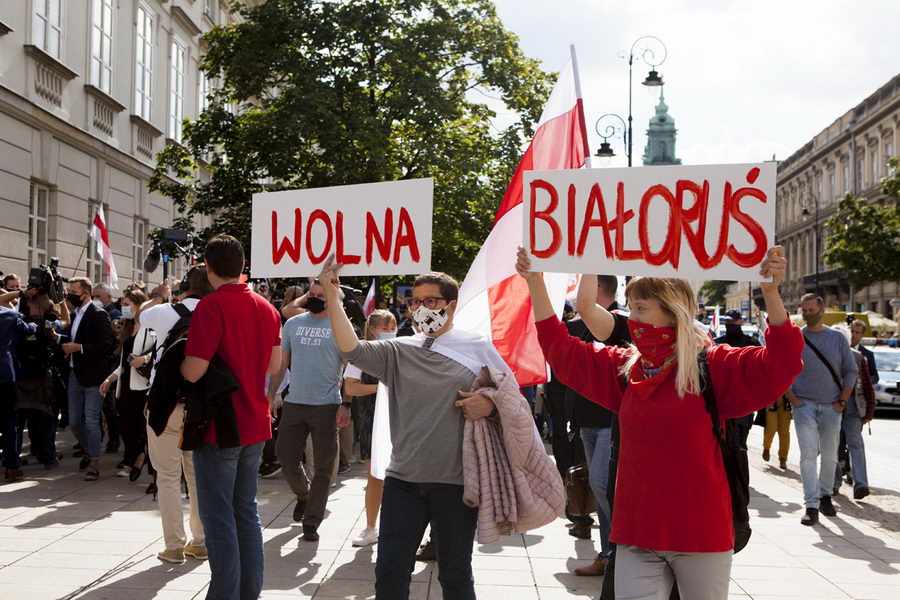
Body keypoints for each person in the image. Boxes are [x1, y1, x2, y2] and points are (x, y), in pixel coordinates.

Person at [517, 245, 802, 600]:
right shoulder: (625, 370)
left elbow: (782, 361)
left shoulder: (713, 367)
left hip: (700, 533)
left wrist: (771, 293)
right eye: (631, 307)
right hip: (637, 531)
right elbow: (560, 348)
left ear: (672, 313)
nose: (631, 319)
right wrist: (534, 282)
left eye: (641, 308)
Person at [319, 257, 511, 600]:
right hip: (402, 483)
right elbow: (350, 348)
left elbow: (512, 401)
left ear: (451, 305)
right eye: (415, 301)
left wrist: (491, 404)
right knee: (390, 573)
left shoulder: (478, 347)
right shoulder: (398, 350)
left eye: (430, 301)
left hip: (457, 486)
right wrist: (333, 297)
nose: (421, 308)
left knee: (455, 576)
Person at [180, 236, 282, 600]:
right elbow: (273, 365)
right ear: (243, 266)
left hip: (220, 426)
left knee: (219, 519)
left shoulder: (210, 306)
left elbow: (193, 372)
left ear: (207, 267)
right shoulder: (267, 308)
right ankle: (248, 593)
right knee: (246, 514)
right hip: (255, 422)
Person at [140, 267, 214, 563]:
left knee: (167, 477)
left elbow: (140, 315)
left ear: (184, 286)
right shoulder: (216, 312)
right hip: (199, 404)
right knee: (196, 476)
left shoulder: (166, 311)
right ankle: (201, 541)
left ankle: (173, 546)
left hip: (165, 404)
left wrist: (159, 293)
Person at [267, 280, 350, 542]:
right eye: (310, 295)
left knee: (324, 468)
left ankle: (311, 521)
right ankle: (304, 495)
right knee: (286, 457)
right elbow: (282, 363)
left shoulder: (341, 328)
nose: (313, 299)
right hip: (295, 403)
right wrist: (271, 393)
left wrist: (346, 404)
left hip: (326, 406)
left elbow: (351, 370)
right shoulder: (293, 324)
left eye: (320, 296)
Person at [569, 275, 628, 577]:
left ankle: (615, 553)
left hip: (609, 422)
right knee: (599, 486)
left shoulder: (623, 324)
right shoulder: (583, 326)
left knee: (605, 488)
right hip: (588, 422)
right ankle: (610, 553)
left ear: (598, 289)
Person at [786, 294, 858, 526]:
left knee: (829, 456)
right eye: (804, 310)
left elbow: (850, 370)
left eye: (810, 309)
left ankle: (825, 494)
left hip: (831, 406)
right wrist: (793, 398)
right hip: (803, 405)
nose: (807, 314)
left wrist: (843, 401)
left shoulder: (836, 338)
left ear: (821, 310)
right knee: (808, 455)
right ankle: (811, 504)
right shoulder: (796, 338)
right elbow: (783, 369)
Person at [344, 309, 397, 547]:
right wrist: (381, 389)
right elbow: (351, 389)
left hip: (401, 420)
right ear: (372, 329)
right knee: (375, 475)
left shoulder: (402, 351)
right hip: (372, 420)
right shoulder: (362, 354)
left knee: (401, 479)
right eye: (383, 327)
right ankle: (371, 527)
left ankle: (397, 528)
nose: (388, 332)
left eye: (391, 327)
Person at [61, 277, 116, 481]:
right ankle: (87, 448)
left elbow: (106, 345)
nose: (69, 294)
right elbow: (72, 339)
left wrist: (80, 348)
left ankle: (94, 461)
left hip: (94, 376)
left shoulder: (99, 314)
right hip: (75, 374)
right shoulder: (74, 315)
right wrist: (63, 344)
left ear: (85, 293)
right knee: (75, 421)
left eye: (73, 291)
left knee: (92, 420)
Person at [99, 287, 156, 481]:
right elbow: (123, 363)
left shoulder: (149, 327)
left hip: (142, 385)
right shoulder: (127, 328)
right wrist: (110, 378)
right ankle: (136, 456)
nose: (123, 308)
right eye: (122, 304)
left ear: (139, 307)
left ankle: (137, 459)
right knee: (126, 427)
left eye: (127, 304)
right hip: (125, 385)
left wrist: (145, 359)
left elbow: (155, 354)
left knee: (139, 426)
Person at [12, 291, 63, 473]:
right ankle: (49, 458)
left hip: (21, 378)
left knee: (17, 423)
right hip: (42, 378)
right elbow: (63, 329)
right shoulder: (51, 325)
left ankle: (14, 461)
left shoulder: (19, 323)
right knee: (47, 420)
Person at [833, 320, 876, 500]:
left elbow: (867, 386)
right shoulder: (829, 356)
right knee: (832, 446)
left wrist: (868, 412)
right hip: (832, 408)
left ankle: (861, 484)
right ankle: (833, 483)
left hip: (852, 409)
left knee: (856, 445)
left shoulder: (858, 357)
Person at [1, 295, 39, 480]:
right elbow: (30, 329)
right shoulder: (10, 315)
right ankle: (12, 466)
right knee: (10, 422)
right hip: (5, 376)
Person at [714, 310, 761, 450]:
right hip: (721, 402)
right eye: (727, 322)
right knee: (721, 447)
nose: (730, 325)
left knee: (739, 447)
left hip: (744, 402)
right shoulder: (718, 343)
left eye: (732, 322)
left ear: (740, 321)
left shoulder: (751, 342)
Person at [761, 395, 792, 470]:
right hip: (771, 399)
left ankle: (783, 459)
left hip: (786, 401)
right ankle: (766, 448)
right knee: (771, 428)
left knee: (784, 432)